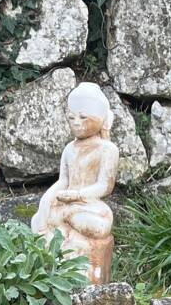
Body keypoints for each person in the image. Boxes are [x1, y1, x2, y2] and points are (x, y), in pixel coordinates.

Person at [31, 81, 119, 280]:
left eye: (83, 117)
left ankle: (80, 266)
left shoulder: (107, 149)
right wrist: (46, 201)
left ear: (101, 118)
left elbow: (104, 185)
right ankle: (53, 270)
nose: (76, 122)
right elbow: (63, 180)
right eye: (71, 117)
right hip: (66, 202)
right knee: (40, 220)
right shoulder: (70, 149)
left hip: (89, 206)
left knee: (99, 226)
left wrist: (78, 195)